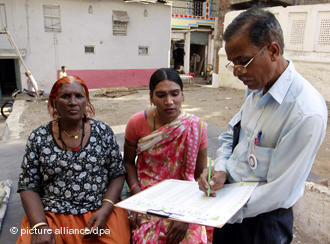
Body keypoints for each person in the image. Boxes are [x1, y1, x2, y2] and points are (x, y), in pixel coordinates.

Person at [198, 7, 327, 244]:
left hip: (263, 225)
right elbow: (231, 136)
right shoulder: (256, 89)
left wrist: (216, 209)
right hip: (230, 210)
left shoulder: (305, 112)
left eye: (242, 61)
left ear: (273, 51)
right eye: (232, 63)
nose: (237, 71)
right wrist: (221, 170)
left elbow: (279, 191)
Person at [16, 75, 130, 243]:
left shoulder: (102, 131)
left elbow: (117, 173)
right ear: (54, 102)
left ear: (86, 101)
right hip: (53, 214)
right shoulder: (39, 137)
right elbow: (28, 185)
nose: (72, 102)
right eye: (65, 96)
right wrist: (40, 226)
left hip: (99, 210)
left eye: (78, 96)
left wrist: (106, 209)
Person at [124, 68, 208, 243]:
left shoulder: (195, 126)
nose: (169, 101)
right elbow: (128, 163)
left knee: (190, 240)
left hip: (185, 195)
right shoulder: (136, 123)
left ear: (182, 96)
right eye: (161, 95)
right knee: (147, 239)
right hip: (148, 194)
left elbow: (201, 174)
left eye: (174, 94)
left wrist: (185, 216)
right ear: (151, 98)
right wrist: (137, 196)